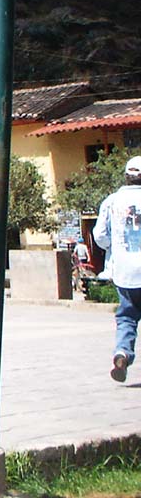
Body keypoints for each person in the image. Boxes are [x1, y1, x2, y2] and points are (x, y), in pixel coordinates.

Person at [93, 155, 141, 382]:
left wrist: (116, 247)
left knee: (127, 317)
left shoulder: (112, 201)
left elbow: (100, 235)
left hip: (125, 273)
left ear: (126, 176)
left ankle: (122, 353)